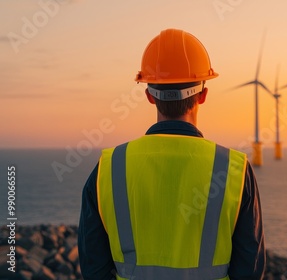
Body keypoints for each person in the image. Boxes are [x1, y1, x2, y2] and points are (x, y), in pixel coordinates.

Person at [78, 28, 266, 280]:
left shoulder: (109, 167)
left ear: (149, 96)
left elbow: (93, 268)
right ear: (203, 95)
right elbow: (250, 270)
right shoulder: (234, 168)